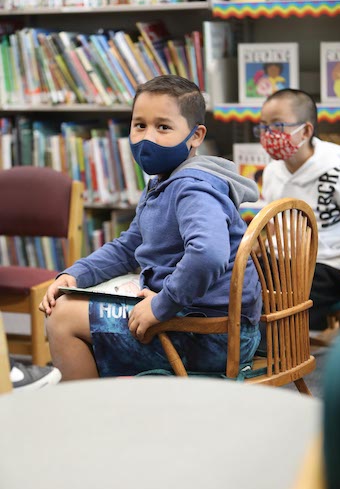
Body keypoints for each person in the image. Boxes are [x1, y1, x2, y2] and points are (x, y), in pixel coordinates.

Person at [39, 75, 262, 381]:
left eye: (163, 127)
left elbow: (209, 254)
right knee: (72, 302)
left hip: (209, 334)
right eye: (139, 125)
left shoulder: (191, 187)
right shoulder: (164, 181)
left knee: (62, 318)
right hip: (202, 323)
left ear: (196, 136)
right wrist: (75, 275)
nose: (148, 138)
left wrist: (161, 305)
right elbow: (130, 246)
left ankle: (86, 419)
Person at [254, 88, 340, 331]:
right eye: (262, 126)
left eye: (277, 126)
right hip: (282, 258)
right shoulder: (272, 171)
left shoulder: (335, 165)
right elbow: (273, 224)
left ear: (306, 130)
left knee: (291, 305)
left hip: (327, 262)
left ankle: (287, 351)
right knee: (240, 283)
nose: (267, 134)